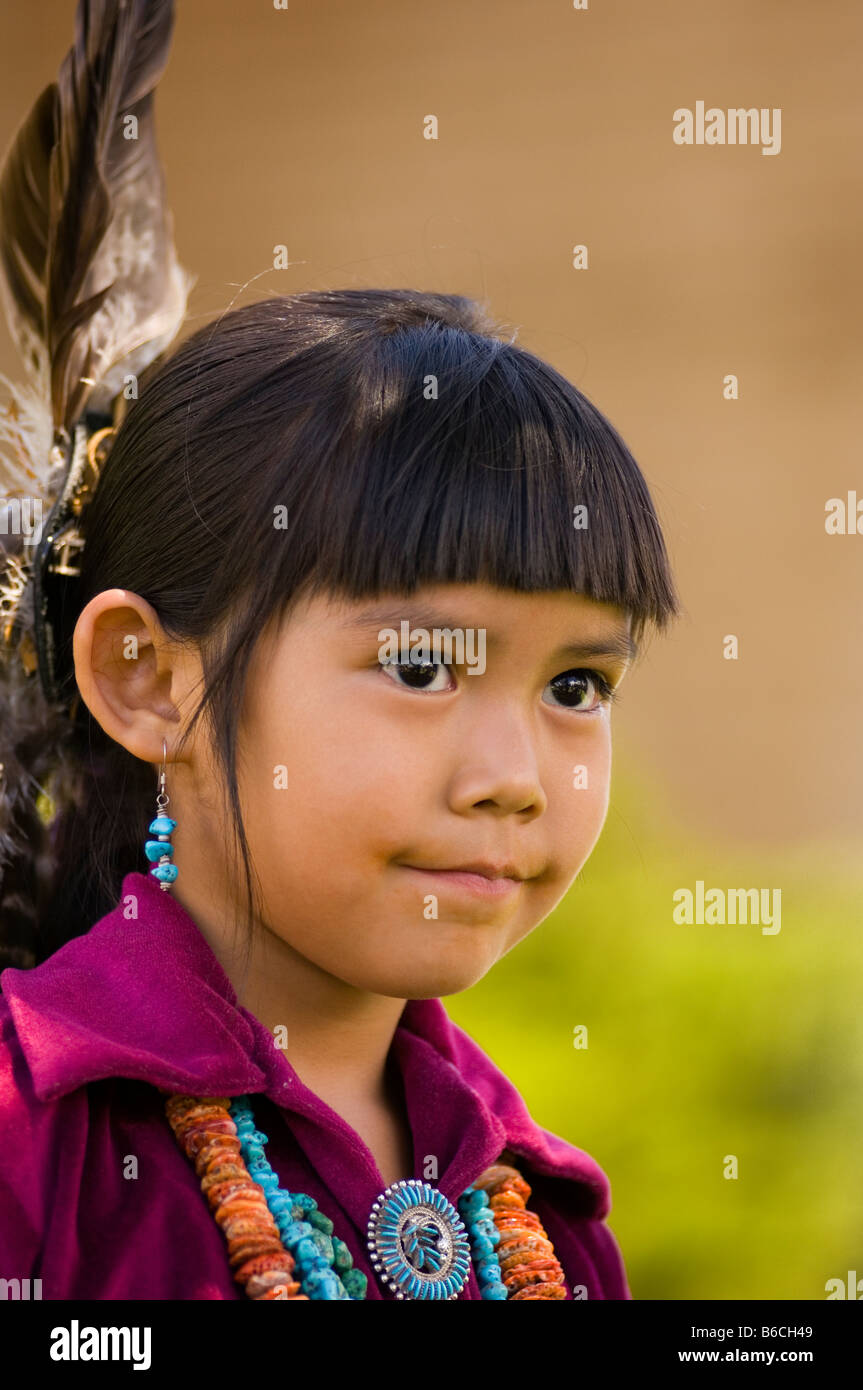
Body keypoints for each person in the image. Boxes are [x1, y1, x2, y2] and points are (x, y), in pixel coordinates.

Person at [0, 0, 679, 1303]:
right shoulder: (36, 1148)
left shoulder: (545, 1210)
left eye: (576, 684)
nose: (514, 775)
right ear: (150, 676)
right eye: (423, 665)